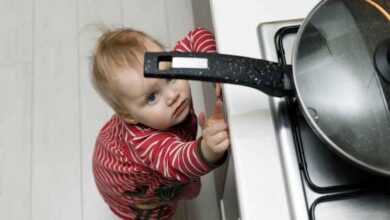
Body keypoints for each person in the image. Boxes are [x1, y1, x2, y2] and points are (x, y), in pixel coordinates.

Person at [91, 27, 230, 220]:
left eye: (170, 76)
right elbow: (179, 160)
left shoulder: (165, 66)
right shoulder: (146, 142)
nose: (173, 95)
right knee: (160, 207)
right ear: (129, 116)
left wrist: (215, 68)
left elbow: (196, 37)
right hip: (133, 189)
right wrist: (209, 150)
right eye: (152, 97)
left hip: (122, 150)